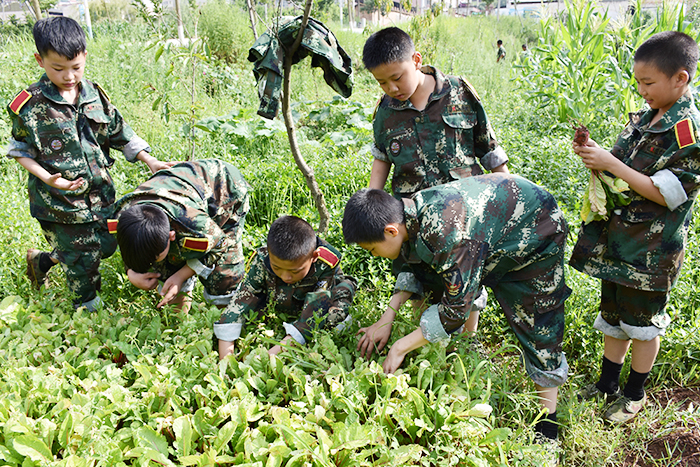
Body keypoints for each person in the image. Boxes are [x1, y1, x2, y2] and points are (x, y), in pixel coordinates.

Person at [342, 174, 570, 444]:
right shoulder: (408, 216)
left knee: (537, 321)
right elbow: (411, 262)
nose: (373, 255)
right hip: (490, 230)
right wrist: (386, 318)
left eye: (372, 249)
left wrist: (399, 348)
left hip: (537, 227)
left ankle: (547, 427)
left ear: (391, 231)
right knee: (451, 279)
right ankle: (463, 346)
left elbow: (454, 312)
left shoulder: (446, 233)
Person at [570, 31, 700, 422]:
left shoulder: (687, 130)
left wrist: (612, 164)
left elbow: (668, 194)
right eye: (638, 83)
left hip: (651, 250)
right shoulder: (648, 116)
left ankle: (634, 394)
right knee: (614, 317)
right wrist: (596, 155)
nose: (642, 91)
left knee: (642, 325)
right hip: (621, 241)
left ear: (680, 78)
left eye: (648, 83)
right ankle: (607, 383)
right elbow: (623, 166)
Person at [6, 16, 173, 311]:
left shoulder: (94, 94)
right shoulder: (30, 106)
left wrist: (149, 160)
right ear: (40, 61)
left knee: (104, 245)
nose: (69, 76)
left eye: (76, 67)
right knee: (82, 259)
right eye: (58, 69)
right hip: (59, 202)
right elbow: (20, 150)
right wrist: (47, 178)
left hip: (100, 195)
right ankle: (88, 310)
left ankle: (42, 261)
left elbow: (119, 131)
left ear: (84, 57)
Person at [361, 27, 510, 352]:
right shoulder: (386, 111)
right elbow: (381, 158)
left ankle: (467, 345)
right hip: (414, 217)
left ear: (416, 60)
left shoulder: (459, 93)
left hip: (465, 216)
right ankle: (427, 346)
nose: (391, 88)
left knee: (468, 279)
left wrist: (508, 194)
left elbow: (489, 149)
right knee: (420, 274)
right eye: (382, 82)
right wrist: (371, 203)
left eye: (396, 78)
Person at [115, 159, 249, 312]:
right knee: (163, 266)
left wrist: (181, 276)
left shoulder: (194, 225)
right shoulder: (121, 218)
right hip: (180, 191)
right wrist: (131, 271)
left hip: (225, 188)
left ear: (171, 236)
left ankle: (225, 316)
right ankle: (180, 321)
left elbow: (221, 244)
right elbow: (129, 245)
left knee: (224, 277)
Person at [215, 215, 357, 359]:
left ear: (313, 257)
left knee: (333, 319)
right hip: (282, 298)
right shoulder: (263, 258)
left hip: (321, 299)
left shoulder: (325, 263)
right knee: (250, 310)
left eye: (294, 271)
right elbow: (241, 300)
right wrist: (226, 359)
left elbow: (315, 312)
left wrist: (270, 356)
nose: (286, 277)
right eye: (277, 268)